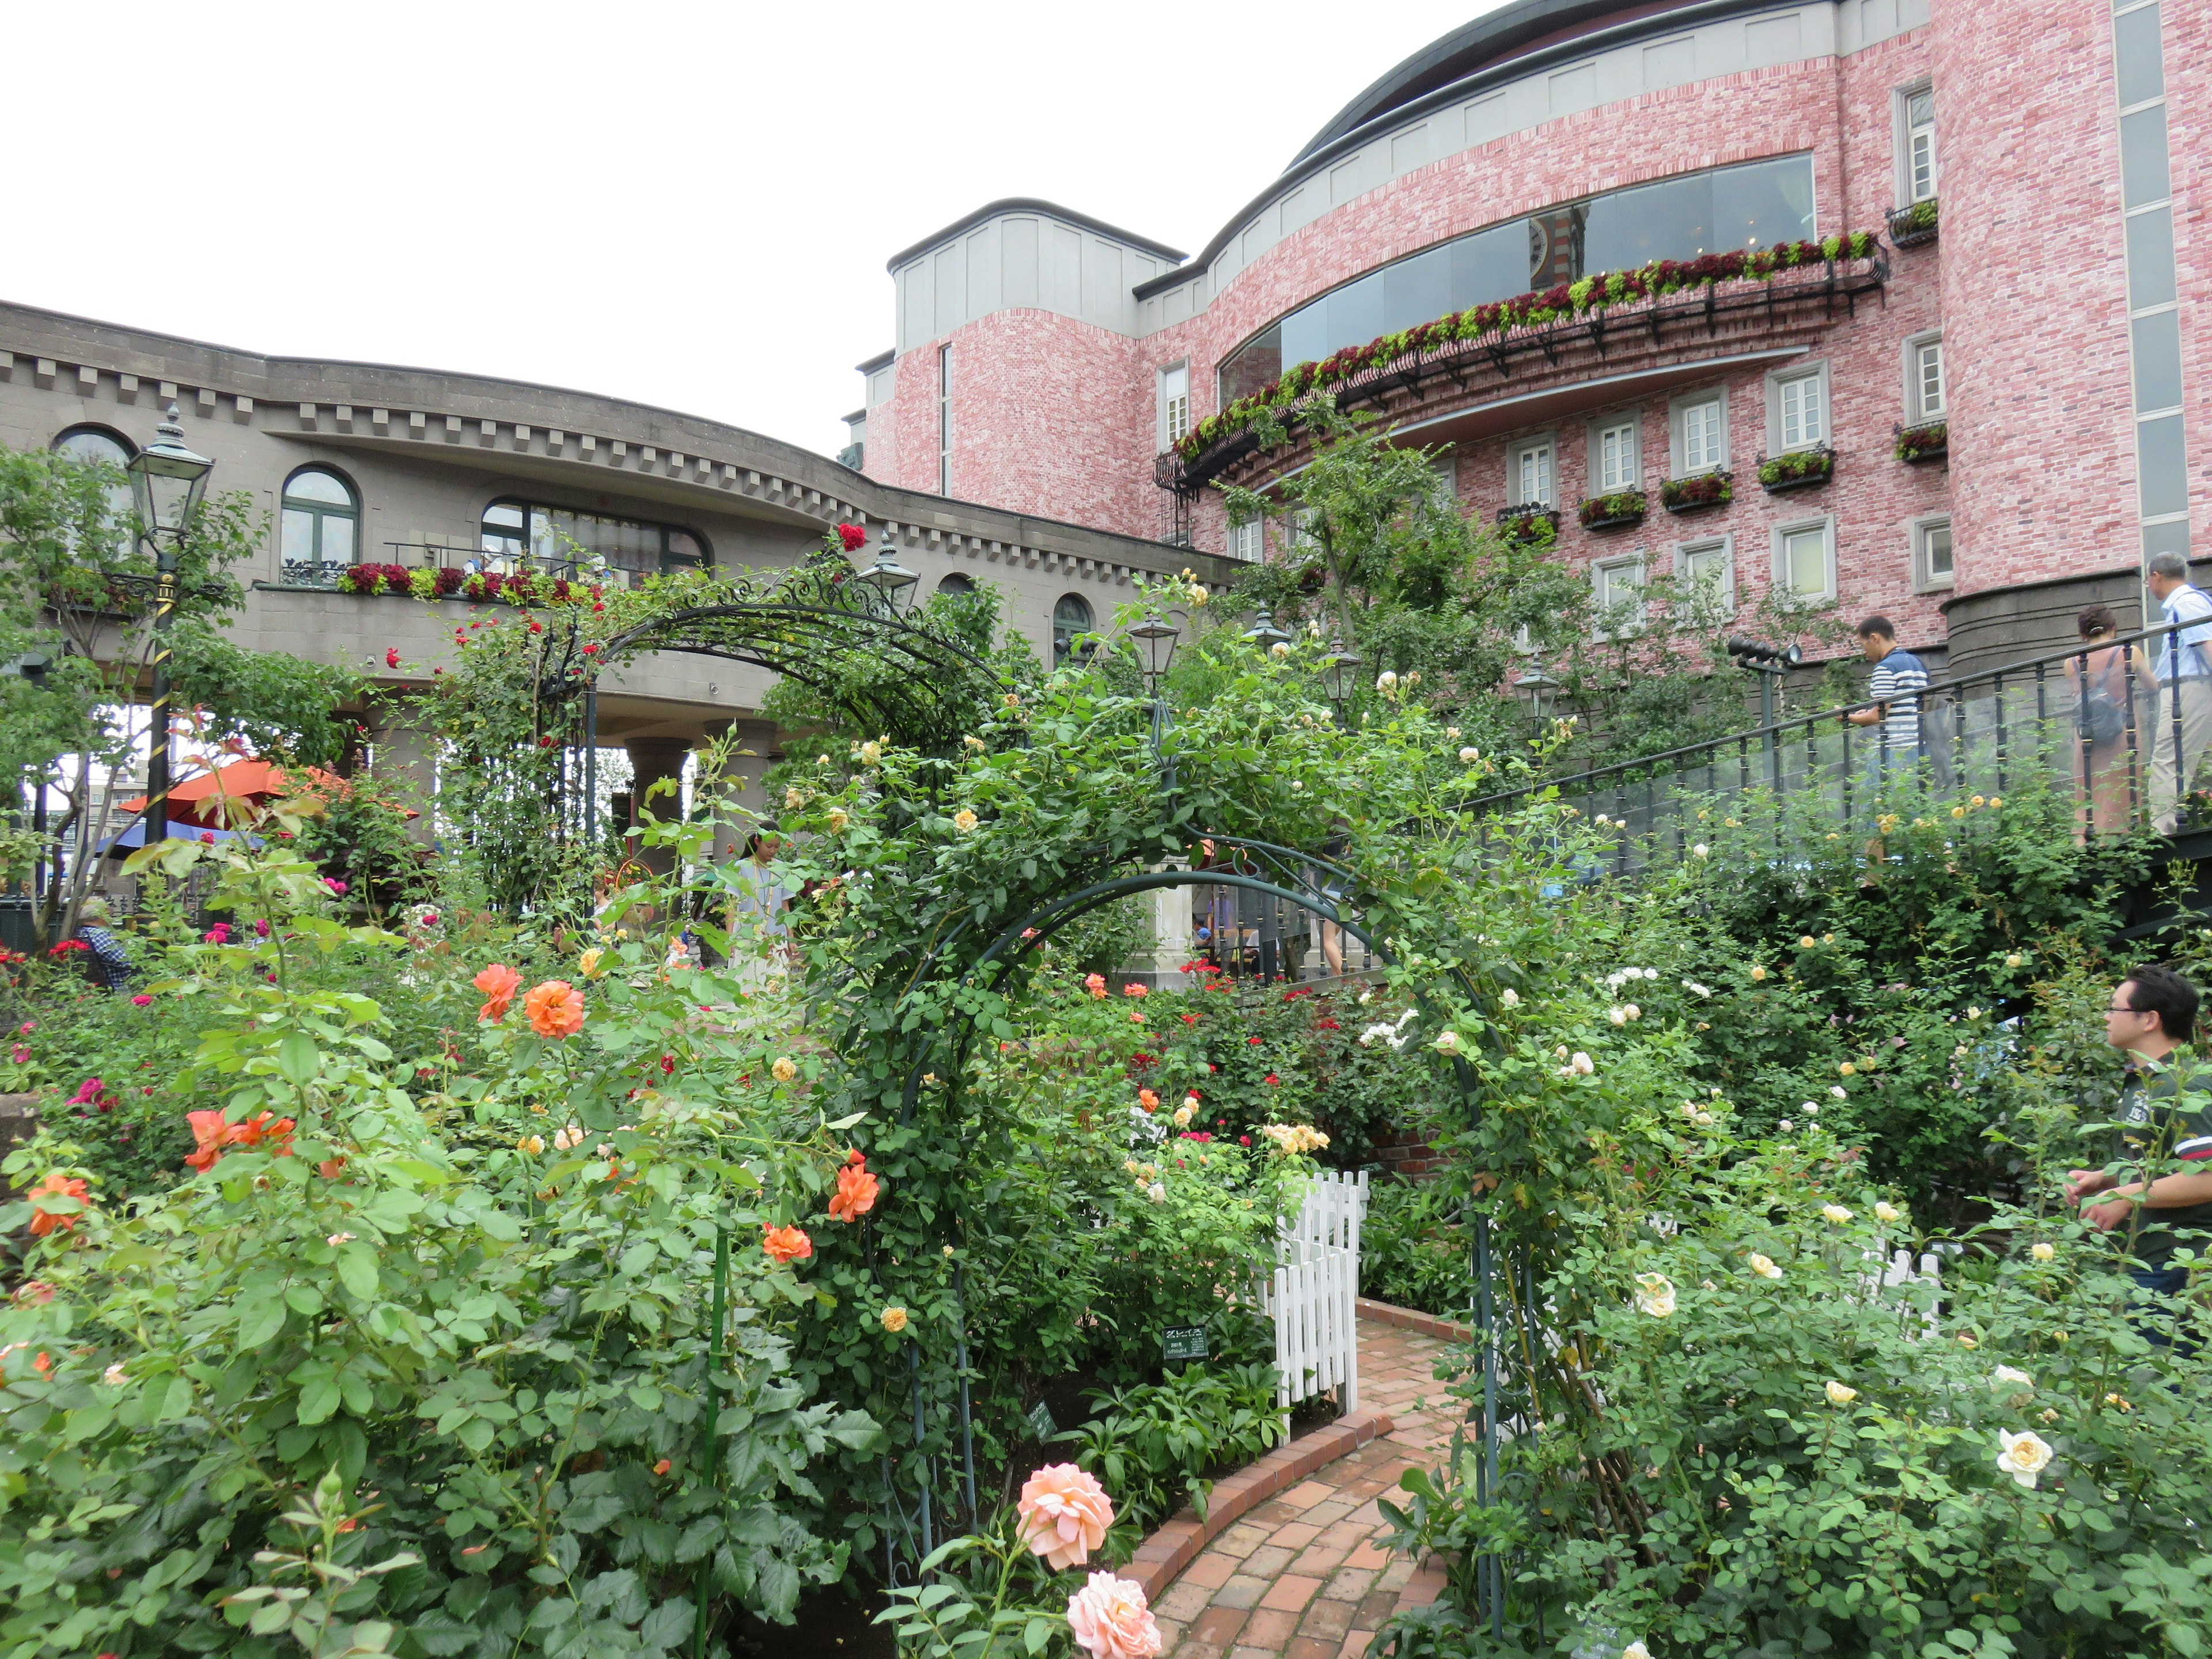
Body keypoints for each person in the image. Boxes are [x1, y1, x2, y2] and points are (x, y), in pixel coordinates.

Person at [2066, 964, 2212, 1343]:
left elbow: (2207, 1177)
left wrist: (2124, 1196)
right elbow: (2160, 1164)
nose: (2106, 1017)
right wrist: (2106, 1179)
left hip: (2181, 1260)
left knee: (2159, 1383)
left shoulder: (2187, 1083)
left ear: (2149, 1020)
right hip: (2144, 1254)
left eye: (2114, 1009)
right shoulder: (2144, 1080)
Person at [2132, 551, 2212, 833]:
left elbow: (2208, 645)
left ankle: (2164, 832)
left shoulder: (2187, 603)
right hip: (2191, 687)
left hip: (2190, 688)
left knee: (2167, 759)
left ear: (2157, 577)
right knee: (2178, 760)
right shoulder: (2190, 602)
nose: (2149, 587)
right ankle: (2169, 827)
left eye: (2148, 581)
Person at [2062, 605, 2135, 836]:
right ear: (2113, 629)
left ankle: (2083, 850)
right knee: (2121, 794)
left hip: (2086, 735)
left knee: (2087, 797)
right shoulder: (2128, 653)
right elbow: (2152, 685)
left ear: (2083, 635)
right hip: (2120, 728)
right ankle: (2122, 850)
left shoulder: (2071, 663)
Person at [1842, 616, 1927, 777]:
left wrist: (1847, 717)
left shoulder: (1885, 668)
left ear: (1874, 638)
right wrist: (1866, 712)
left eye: (1863, 645)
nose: (1864, 652)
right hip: (1919, 748)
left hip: (1891, 752)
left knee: (1875, 800)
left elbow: (1878, 716)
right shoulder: (1917, 663)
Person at [73, 895, 134, 991]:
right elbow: (128, 962)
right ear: (102, 915)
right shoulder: (100, 935)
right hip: (119, 992)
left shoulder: (82, 932)